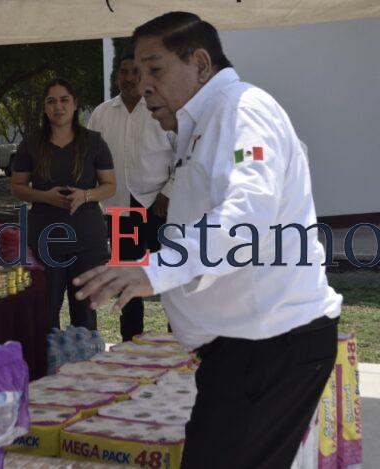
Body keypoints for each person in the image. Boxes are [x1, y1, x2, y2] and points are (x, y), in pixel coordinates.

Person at [73, 12, 341, 469]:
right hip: (242, 348)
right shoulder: (204, 122)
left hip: (269, 344)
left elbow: (246, 218)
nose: (143, 86)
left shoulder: (242, 111)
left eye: (155, 70)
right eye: (137, 73)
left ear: (200, 64)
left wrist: (154, 269)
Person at [11, 78, 116, 331]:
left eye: (64, 100)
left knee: (85, 316)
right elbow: (17, 187)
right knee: (46, 313)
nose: (58, 106)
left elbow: (110, 185)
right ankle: (47, 357)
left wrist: (86, 195)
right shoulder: (31, 144)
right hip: (45, 240)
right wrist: (45, 196)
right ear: (45, 108)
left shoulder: (94, 142)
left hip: (87, 239)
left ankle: (86, 356)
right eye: (51, 101)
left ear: (75, 104)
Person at [87, 53, 174, 341]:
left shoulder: (160, 108)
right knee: (127, 281)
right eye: (124, 72)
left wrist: (168, 193)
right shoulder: (101, 114)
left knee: (168, 277)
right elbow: (89, 159)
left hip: (159, 207)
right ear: (117, 77)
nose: (129, 78)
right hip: (119, 210)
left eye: (135, 72)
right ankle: (131, 344)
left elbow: (183, 154)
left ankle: (176, 342)